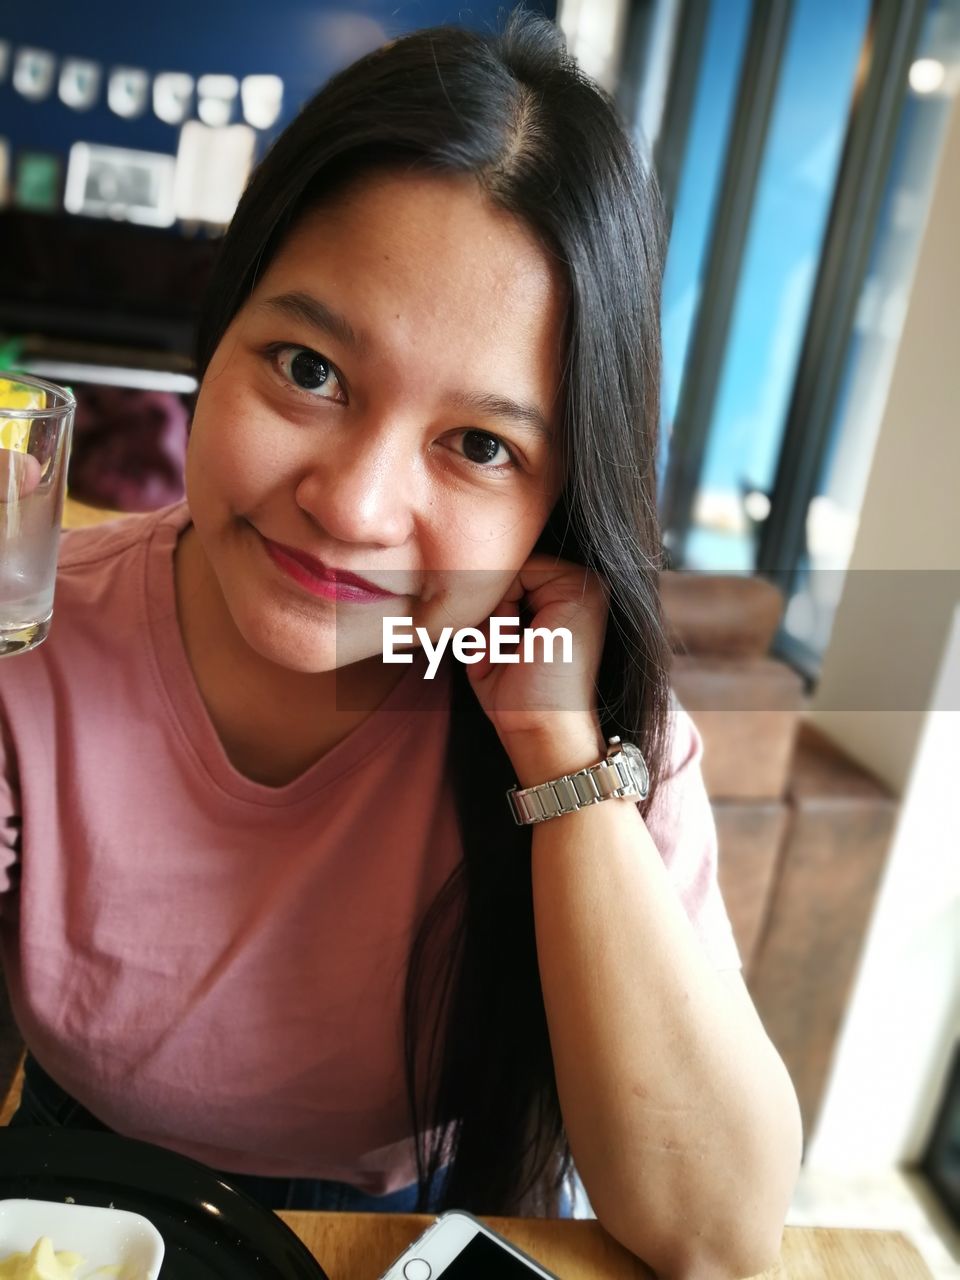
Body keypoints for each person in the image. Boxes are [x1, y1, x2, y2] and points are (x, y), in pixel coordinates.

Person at [0, 11, 803, 1275]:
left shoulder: (596, 726)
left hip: (402, 1231)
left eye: (480, 446)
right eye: (309, 368)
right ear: (216, 339)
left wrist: (554, 752)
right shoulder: (29, 630)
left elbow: (720, 1234)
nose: (356, 504)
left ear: (556, 503)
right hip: (68, 1190)